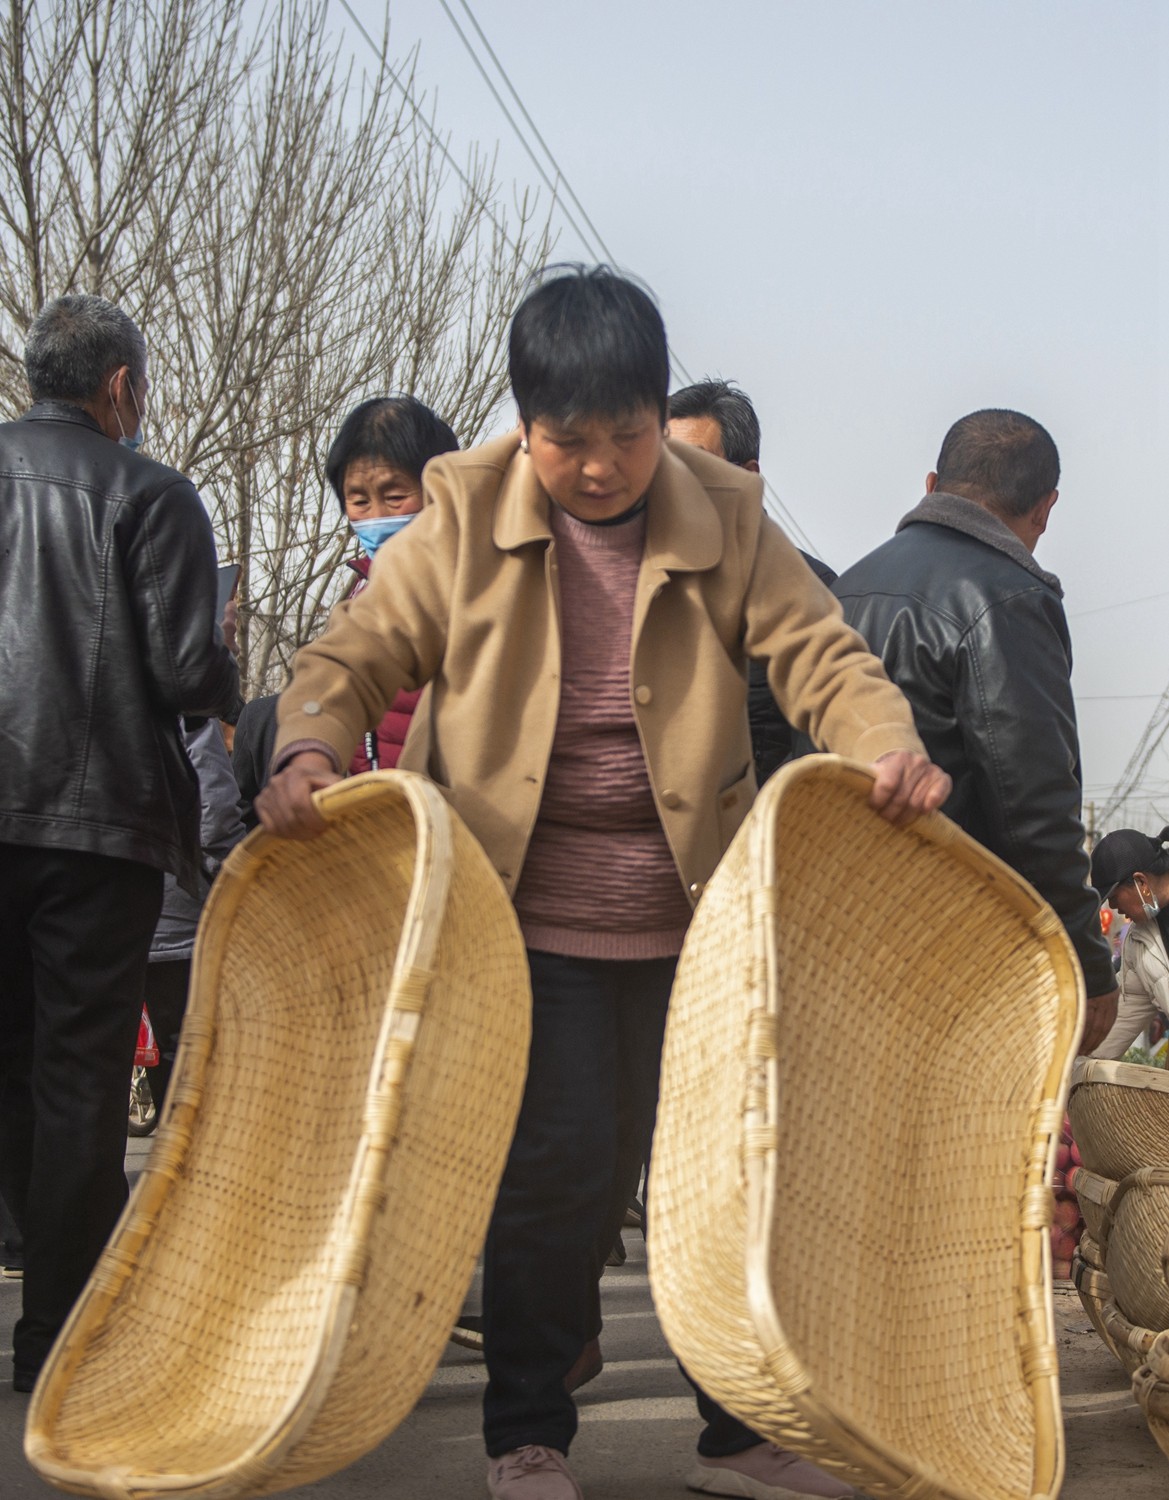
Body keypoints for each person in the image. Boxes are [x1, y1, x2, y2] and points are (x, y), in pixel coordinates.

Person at [257, 265, 950, 1500]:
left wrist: (881, 742)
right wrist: (306, 745)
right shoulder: (460, 513)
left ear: (654, 415)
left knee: (715, 1176)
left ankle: (737, 1433)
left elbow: (820, 653)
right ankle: (527, 1434)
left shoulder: (725, 513)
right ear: (522, 425)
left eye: (625, 437)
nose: (596, 468)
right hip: (521, 916)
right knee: (559, 1175)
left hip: (691, 919)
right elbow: (355, 651)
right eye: (564, 441)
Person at [0, 293, 239, 1391]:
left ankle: (38, 1277)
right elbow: (188, 675)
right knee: (79, 1081)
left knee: (12, 1068)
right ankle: (58, 1336)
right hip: (98, 827)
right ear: (120, 388)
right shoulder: (152, 496)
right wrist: (224, 665)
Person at [828, 408, 1118, 1056]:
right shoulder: (1010, 599)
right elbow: (1033, 809)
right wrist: (1087, 966)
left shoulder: (844, 589)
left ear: (932, 484)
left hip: (836, 926)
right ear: (1044, 509)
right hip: (956, 947)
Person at [232, 396, 459, 825]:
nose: (377, 517)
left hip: (449, 824)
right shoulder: (361, 592)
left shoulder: (475, 587)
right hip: (374, 828)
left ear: (444, 491)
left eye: (395, 496)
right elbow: (337, 674)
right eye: (359, 501)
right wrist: (308, 755)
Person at [667, 378, 837, 782]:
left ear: (747, 477)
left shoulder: (809, 589)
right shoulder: (644, 579)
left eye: (695, 464)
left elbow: (827, 732)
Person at [144, 718, 246, 1111]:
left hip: (94, 906)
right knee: (193, 1054)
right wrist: (239, 877)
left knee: (98, 1056)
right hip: (179, 909)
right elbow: (214, 816)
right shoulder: (185, 707)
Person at [1088, 827, 1169, 1059]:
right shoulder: (1139, 943)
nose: (1113, 907)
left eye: (1114, 897)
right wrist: (1073, 1062)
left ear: (1140, 882)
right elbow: (1123, 1013)